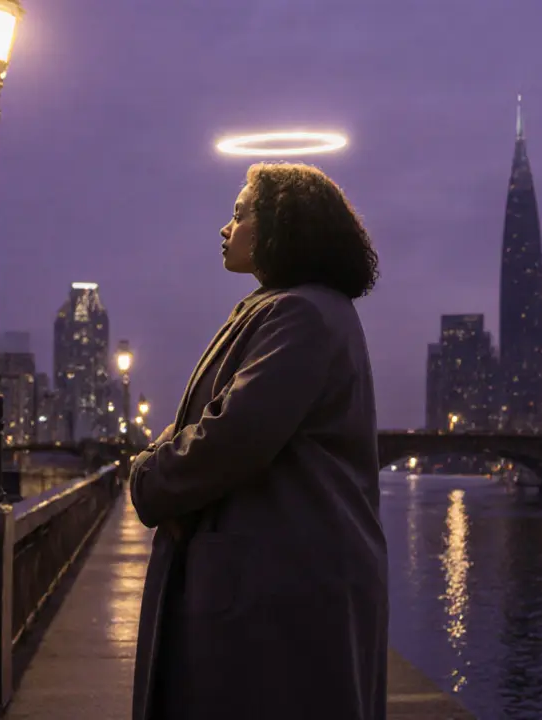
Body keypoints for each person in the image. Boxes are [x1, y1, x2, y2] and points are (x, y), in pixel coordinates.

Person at [128, 162, 388, 720]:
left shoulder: (300, 315)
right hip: (276, 582)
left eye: (241, 213)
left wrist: (147, 476)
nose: (226, 227)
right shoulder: (296, 310)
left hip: (275, 596)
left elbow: (229, 437)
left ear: (279, 226)